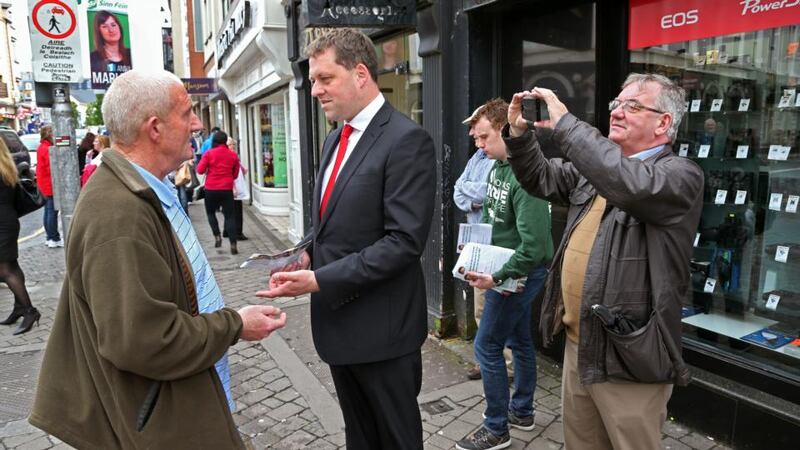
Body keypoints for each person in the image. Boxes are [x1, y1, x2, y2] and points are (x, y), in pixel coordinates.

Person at [29, 70, 287, 449]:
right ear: (154, 128)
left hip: (169, 403)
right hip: (157, 419)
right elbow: (144, 340)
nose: (197, 123)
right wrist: (234, 325)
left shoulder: (143, 188)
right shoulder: (120, 214)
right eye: (187, 113)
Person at [503, 73, 703, 450]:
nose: (618, 112)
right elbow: (541, 178)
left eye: (634, 105)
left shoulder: (680, 176)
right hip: (581, 348)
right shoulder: (596, 170)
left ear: (664, 122)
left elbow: (632, 183)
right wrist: (519, 136)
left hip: (630, 356)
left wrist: (565, 125)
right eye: (617, 103)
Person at [259, 28, 436, 449]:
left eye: (325, 78)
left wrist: (320, 279)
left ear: (360, 74)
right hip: (340, 329)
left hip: (383, 334)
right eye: (314, 79)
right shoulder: (335, 138)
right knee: (360, 439)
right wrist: (304, 255)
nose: (315, 90)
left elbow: (403, 243)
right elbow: (331, 222)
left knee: (395, 441)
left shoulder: (406, 140)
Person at [455, 98, 553, 450]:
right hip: (504, 268)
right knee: (518, 339)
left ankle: (496, 428)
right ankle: (522, 411)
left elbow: (536, 249)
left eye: (483, 137)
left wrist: (497, 277)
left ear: (505, 130)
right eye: (476, 139)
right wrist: (475, 252)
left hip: (519, 273)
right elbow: (497, 224)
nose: (478, 145)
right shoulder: (495, 167)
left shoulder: (526, 177)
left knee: (486, 345)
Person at [454, 104, 506, 382]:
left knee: (500, 311)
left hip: (498, 246)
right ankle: (485, 361)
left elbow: (490, 191)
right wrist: (474, 196)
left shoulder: (505, 159)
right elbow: (457, 190)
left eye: (479, 131)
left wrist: (471, 194)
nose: (474, 136)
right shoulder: (477, 157)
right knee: (480, 308)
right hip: (477, 243)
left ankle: (505, 368)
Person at [0, 140, 40, 335]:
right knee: (12, 266)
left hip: (2, 224)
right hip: (8, 221)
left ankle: (30, 311)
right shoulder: (6, 166)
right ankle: (18, 308)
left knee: (6, 270)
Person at [196, 130, 240, 255]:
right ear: (225, 141)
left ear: (214, 140)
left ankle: (217, 236)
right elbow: (236, 174)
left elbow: (199, 170)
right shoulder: (232, 155)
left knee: (210, 213)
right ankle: (233, 244)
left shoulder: (209, 154)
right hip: (226, 189)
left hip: (211, 189)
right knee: (230, 216)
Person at [35, 125, 61, 248]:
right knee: (52, 212)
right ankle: (54, 238)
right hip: (49, 184)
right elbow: (52, 168)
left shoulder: (42, 147)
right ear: (49, 135)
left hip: (44, 183)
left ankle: (49, 237)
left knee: (48, 212)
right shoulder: (48, 149)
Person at [89, 10, 132, 75]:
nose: (111, 30)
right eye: (105, 26)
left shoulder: (131, 55)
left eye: (113, 25)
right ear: (99, 32)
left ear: (119, 27)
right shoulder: (92, 59)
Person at [226, 136, 248, 241]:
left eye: (234, 145)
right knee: (237, 210)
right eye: (231, 145)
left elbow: (239, 167)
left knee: (230, 209)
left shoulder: (230, 155)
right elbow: (231, 173)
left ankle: (226, 231)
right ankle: (238, 233)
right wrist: (234, 188)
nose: (233, 146)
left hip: (230, 187)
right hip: (234, 187)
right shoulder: (231, 156)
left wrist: (243, 170)